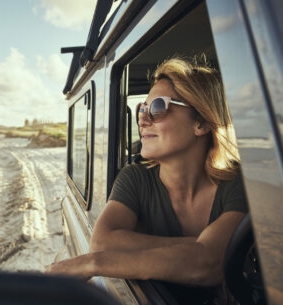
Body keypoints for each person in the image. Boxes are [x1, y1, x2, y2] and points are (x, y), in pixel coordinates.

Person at [47, 57, 248, 304]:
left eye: (158, 107)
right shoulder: (135, 179)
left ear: (202, 122)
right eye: (143, 108)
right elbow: (102, 241)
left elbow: (209, 263)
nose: (143, 119)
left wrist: (93, 263)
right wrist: (198, 246)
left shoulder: (238, 183)